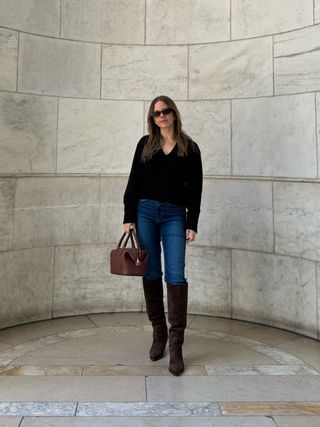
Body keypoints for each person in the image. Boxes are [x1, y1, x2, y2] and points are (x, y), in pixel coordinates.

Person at [123, 95, 203, 376]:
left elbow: (195, 189)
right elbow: (133, 182)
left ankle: (177, 344)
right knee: (151, 272)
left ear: (174, 114)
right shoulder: (145, 146)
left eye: (166, 111)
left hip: (173, 216)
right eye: (156, 113)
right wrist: (128, 217)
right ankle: (160, 334)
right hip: (144, 212)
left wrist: (191, 222)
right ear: (152, 118)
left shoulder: (189, 148)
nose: (161, 116)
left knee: (176, 275)